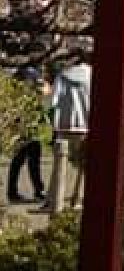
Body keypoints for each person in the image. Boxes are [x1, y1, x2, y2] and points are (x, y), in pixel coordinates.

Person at [47, 50, 92, 214]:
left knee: (59, 162)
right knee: (83, 165)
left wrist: (52, 120)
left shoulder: (62, 75)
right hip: (86, 125)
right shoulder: (93, 76)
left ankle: (53, 200)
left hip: (63, 125)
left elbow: (53, 101)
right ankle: (76, 199)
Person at [7, 66, 48, 203]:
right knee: (28, 160)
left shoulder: (24, 76)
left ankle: (16, 191)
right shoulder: (29, 76)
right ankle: (36, 191)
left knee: (22, 161)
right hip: (25, 126)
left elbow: (44, 91)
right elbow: (44, 91)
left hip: (26, 126)